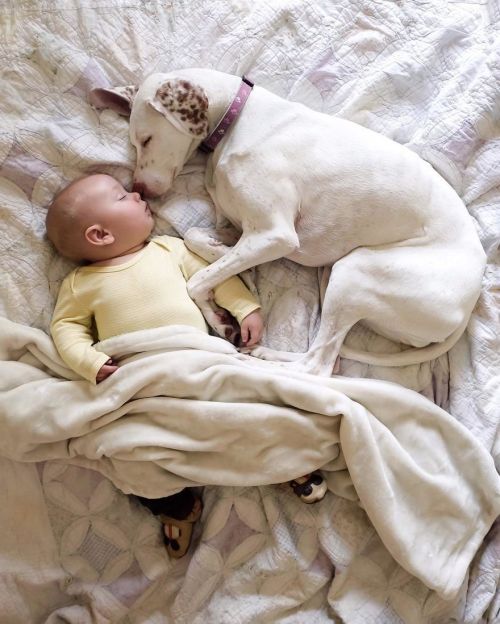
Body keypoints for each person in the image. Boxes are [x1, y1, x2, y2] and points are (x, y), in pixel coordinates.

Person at [46, 173, 326, 557]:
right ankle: (173, 506)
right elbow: (66, 329)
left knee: (242, 405)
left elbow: (216, 279)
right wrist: (89, 361)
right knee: (129, 450)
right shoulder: (81, 283)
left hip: (194, 358)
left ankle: (285, 462)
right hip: (138, 377)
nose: (137, 193)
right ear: (100, 235)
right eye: (122, 196)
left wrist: (245, 308)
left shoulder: (170, 249)